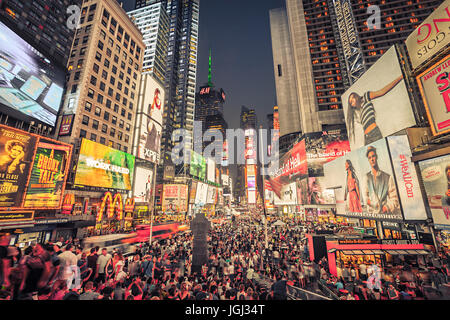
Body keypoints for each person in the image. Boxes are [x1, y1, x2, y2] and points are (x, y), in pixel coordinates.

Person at [346, 75, 403, 145]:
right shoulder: (360, 113)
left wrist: (399, 78)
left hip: (374, 133)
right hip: (367, 137)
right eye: (350, 103)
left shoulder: (366, 97)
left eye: (352, 100)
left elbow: (382, 92)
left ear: (356, 97)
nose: (352, 103)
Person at [363, 146, 400, 215]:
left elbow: (394, 199)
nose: (372, 159)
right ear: (368, 160)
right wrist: (373, 205)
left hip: (384, 215)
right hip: (371, 215)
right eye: (369, 158)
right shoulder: (366, 177)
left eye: (373, 156)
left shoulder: (387, 177)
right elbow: (365, 196)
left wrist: (386, 208)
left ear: (376, 157)